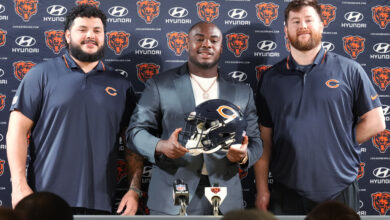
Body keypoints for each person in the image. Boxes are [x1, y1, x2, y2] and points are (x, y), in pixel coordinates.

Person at [6, 5, 143, 215]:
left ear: (104, 36)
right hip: (45, 200)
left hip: (100, 202)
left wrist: (134, 189)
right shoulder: (40, 75)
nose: (90, 35)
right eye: (82, 29)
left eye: (97, 31)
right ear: (68, 35)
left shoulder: (121, 85)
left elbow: (132, 143)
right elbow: (16, 131)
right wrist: (18, 185)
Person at [254, 0, 385, 215]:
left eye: (308, 19)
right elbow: (264, 139)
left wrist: (338, 143)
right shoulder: (270, 78)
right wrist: (261, 189)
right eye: (295, 21)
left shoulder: (349, 70)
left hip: (339, 188)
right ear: (286, 31)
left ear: (322, 25)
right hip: (287, 189)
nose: (302, 25)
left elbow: (376, 122)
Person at [127, 21, 262, 215]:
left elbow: (256, 141)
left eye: (213, 40)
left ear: (221, 48)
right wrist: (161, 146)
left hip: (224, 199)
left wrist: (244, 155)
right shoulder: (160, 85)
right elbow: (135, 132)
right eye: (199, 39)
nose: (206, 44)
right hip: (170, 196)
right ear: (187, 44)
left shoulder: (242, 91)